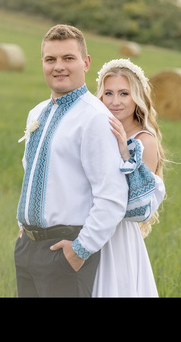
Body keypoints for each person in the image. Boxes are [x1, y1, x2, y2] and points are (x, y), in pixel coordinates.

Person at [13, 25, 128, 297]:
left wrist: (79, 251)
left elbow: (112, 196)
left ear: (86, 63)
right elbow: (30, 172)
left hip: (65, 251)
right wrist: (23, 230)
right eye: (50, 59)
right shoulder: (37, 112)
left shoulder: (95, 118)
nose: (58, 67)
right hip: (28, 248)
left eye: (68, 58)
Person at [91, 57, 167, 297]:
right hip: (87, 226)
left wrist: (125, 152)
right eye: (108, 93)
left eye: (124, 94)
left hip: (117, 236)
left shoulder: (145, 141)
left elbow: (136, 203)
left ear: (137, 98)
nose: (115, 102)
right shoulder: (96, 128)